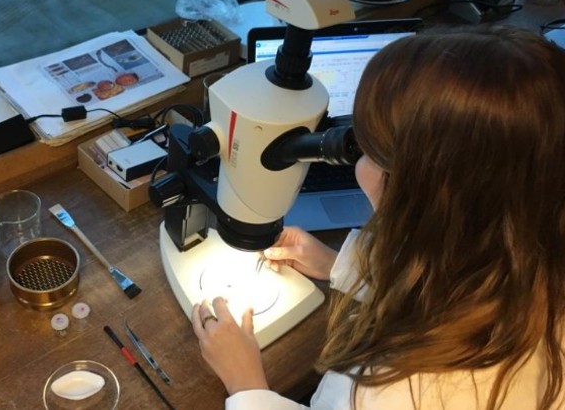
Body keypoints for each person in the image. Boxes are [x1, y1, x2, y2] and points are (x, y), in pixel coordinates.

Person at [191, 25, 565, 410]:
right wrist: (343, 264)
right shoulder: (535, 255)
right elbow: (461, 292)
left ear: (432, 193)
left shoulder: (391, 392)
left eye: (374, 153)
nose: (360, 168)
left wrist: (247, 386)